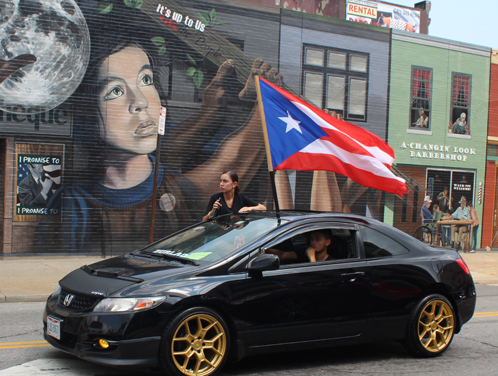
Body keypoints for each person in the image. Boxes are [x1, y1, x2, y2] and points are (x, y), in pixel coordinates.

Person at [37, 1, 282, 253]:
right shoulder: (77, 205)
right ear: (88, 113)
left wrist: (217, 107)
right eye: (115, 91)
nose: (140, 101)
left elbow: (188, 148)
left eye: (146, 79)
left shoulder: (168, 184)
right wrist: (266, 100)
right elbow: (233, 157)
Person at [267, 230, 333, 263]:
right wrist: (264, 250)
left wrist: (312, 258)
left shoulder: (331, 262)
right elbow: (283, 255)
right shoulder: (305, 252)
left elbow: (317, 274)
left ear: (327, 242)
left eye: (317, 240)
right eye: (312, 239)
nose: (313, 242)